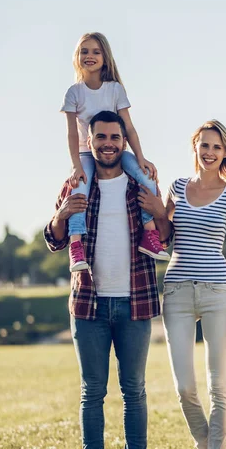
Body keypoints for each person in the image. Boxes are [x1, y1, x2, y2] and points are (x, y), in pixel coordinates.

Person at [44, 111, 172, 449]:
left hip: (136, 300)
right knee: (92, 391)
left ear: (124, 141)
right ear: (90, 141)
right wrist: (62, 214)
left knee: (134, 389)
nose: (108, 143)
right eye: (101, 137)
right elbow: (53, 240)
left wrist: (159, 212)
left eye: (115, 137)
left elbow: (165, 238)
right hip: (88, 304)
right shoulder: (76, 184)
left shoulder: (141, 185)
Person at [138, 119, 226, 449]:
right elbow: (166, 234)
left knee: (217, 384)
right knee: (184, 386)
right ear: (195, 147)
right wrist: (158, 209)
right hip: (175, 290)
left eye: (217, 147)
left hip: (218, 293)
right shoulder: (177, 187)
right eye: (204, 145)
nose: (209, 152)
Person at [61, 31, 169, 272]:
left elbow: (129, 127)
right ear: (77, 56)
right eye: (84, 51)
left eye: (96, 51)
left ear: (105, 57)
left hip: (117, 152)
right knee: (79, 189)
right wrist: (76, 165)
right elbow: (70, 133)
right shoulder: (74, 92)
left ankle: (149, 235)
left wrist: (141, 158)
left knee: (147, 179)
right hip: (86, 155)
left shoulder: (115, 89)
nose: (90, 56)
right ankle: (76, 245)